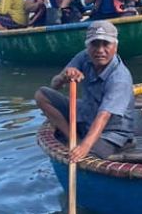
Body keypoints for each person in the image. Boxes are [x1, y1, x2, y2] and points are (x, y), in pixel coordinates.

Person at [35, 21, 136, 161]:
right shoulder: (84, 57)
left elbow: (104, 116)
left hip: (110, 133)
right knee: (42, 95)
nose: (100, 50)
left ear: (115, 47)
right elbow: (54, 85)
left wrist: (84, 147)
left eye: (106, 44)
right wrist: (64, 76)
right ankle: (73, 139)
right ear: (88, 46)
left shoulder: (120, 78)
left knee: (86, 157)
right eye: (95, 44)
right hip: (87, 113)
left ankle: (81, 145)